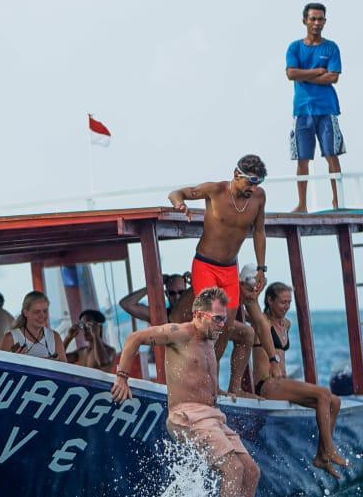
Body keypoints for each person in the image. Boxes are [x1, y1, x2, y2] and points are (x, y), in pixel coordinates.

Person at [110, 286, 261, 497]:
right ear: (199, 315)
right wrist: (121, 376)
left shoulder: (210, 338)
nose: (222, 324)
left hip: (214, 417)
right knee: (232, 469)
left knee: (252, 472)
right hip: (187, 415)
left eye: (224, 318)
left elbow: (247, 335)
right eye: (218, 318)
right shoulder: (179, 333)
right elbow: (134, 338)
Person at [167, 155, 276, 394]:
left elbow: (259, 232)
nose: (253, 188)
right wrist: (179, 204)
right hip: (205, 265)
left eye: (258, 183)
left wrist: (261, 267)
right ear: (237, 175)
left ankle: (212, 381)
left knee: (225, 328)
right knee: (209, 322)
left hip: (229, 270)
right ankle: (194, 377)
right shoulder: (215, 190)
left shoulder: (258, 197)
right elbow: (176, 192)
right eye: (251, 182)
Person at [240, 278, 347, 478]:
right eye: (282, 302)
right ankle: (329, 450)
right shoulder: (261, 322)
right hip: (268, 385)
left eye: (288, 303)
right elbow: (246, 307)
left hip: (283, 383)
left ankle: (321, 456)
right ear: (270, 301)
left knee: (335, 401)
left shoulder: (286, 324)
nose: (286, 307)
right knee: (323, 394)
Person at [286, 2, 344, 212]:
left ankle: (337, 201)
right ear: (305, 21)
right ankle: (302, 204)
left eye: (320, 19)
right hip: (302, 110)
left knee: (332, 155)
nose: (317, 23)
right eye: (313, 19)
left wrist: (305, 75)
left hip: (327, 109)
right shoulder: (295, 47)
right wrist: (317, 71)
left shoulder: (331, 47)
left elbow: (333, 77)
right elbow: (291, 73)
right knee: (303, 159)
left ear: (325, 21)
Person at [1, 291, 65, 359]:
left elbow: (64, 368)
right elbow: (0, 367)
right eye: (37, 312)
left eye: (45, 311)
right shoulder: (10, 338)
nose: (42, 315)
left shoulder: (55, 337)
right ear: (26, 313)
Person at [119, 273, 195, 325]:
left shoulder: (197, 312)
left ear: (186, 292)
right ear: (166, 294)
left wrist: (195, 282)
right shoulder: (161, 316)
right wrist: (155, 285)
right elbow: (126, 304)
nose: (177, 297)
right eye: (172, 293)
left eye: (181, 292)